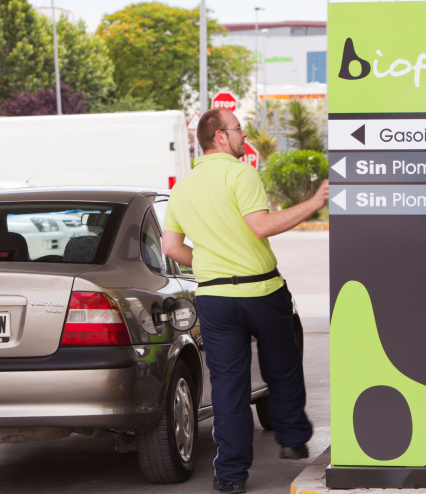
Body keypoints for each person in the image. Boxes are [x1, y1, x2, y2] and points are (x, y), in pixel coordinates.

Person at [162, 108, 329, 494]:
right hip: (262, 291)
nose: (244, 134)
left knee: (227, 387)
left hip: (215, 298)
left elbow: (172, 247)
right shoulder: (241, 173)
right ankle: (291, 437)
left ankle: (232, 476)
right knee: (282, 367)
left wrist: (211, 263)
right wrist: (315, 201)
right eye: (238, 129)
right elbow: (262, 226)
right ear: (220, 136)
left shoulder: (182, 187)